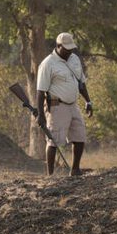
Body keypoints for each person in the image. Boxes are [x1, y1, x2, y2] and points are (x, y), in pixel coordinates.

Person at [35, 32, 93, 176]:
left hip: (73, 104)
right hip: (56, 105)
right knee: (54, 140)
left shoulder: (74, 59)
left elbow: (81, 83)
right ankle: (50, 175)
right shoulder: (48, 64)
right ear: (58, 46)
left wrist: (88, 101)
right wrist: (41, 115)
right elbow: (40, 92)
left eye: (71, 48)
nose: (69, 51)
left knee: (80, 137)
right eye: (66, 48)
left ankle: (75, 170)